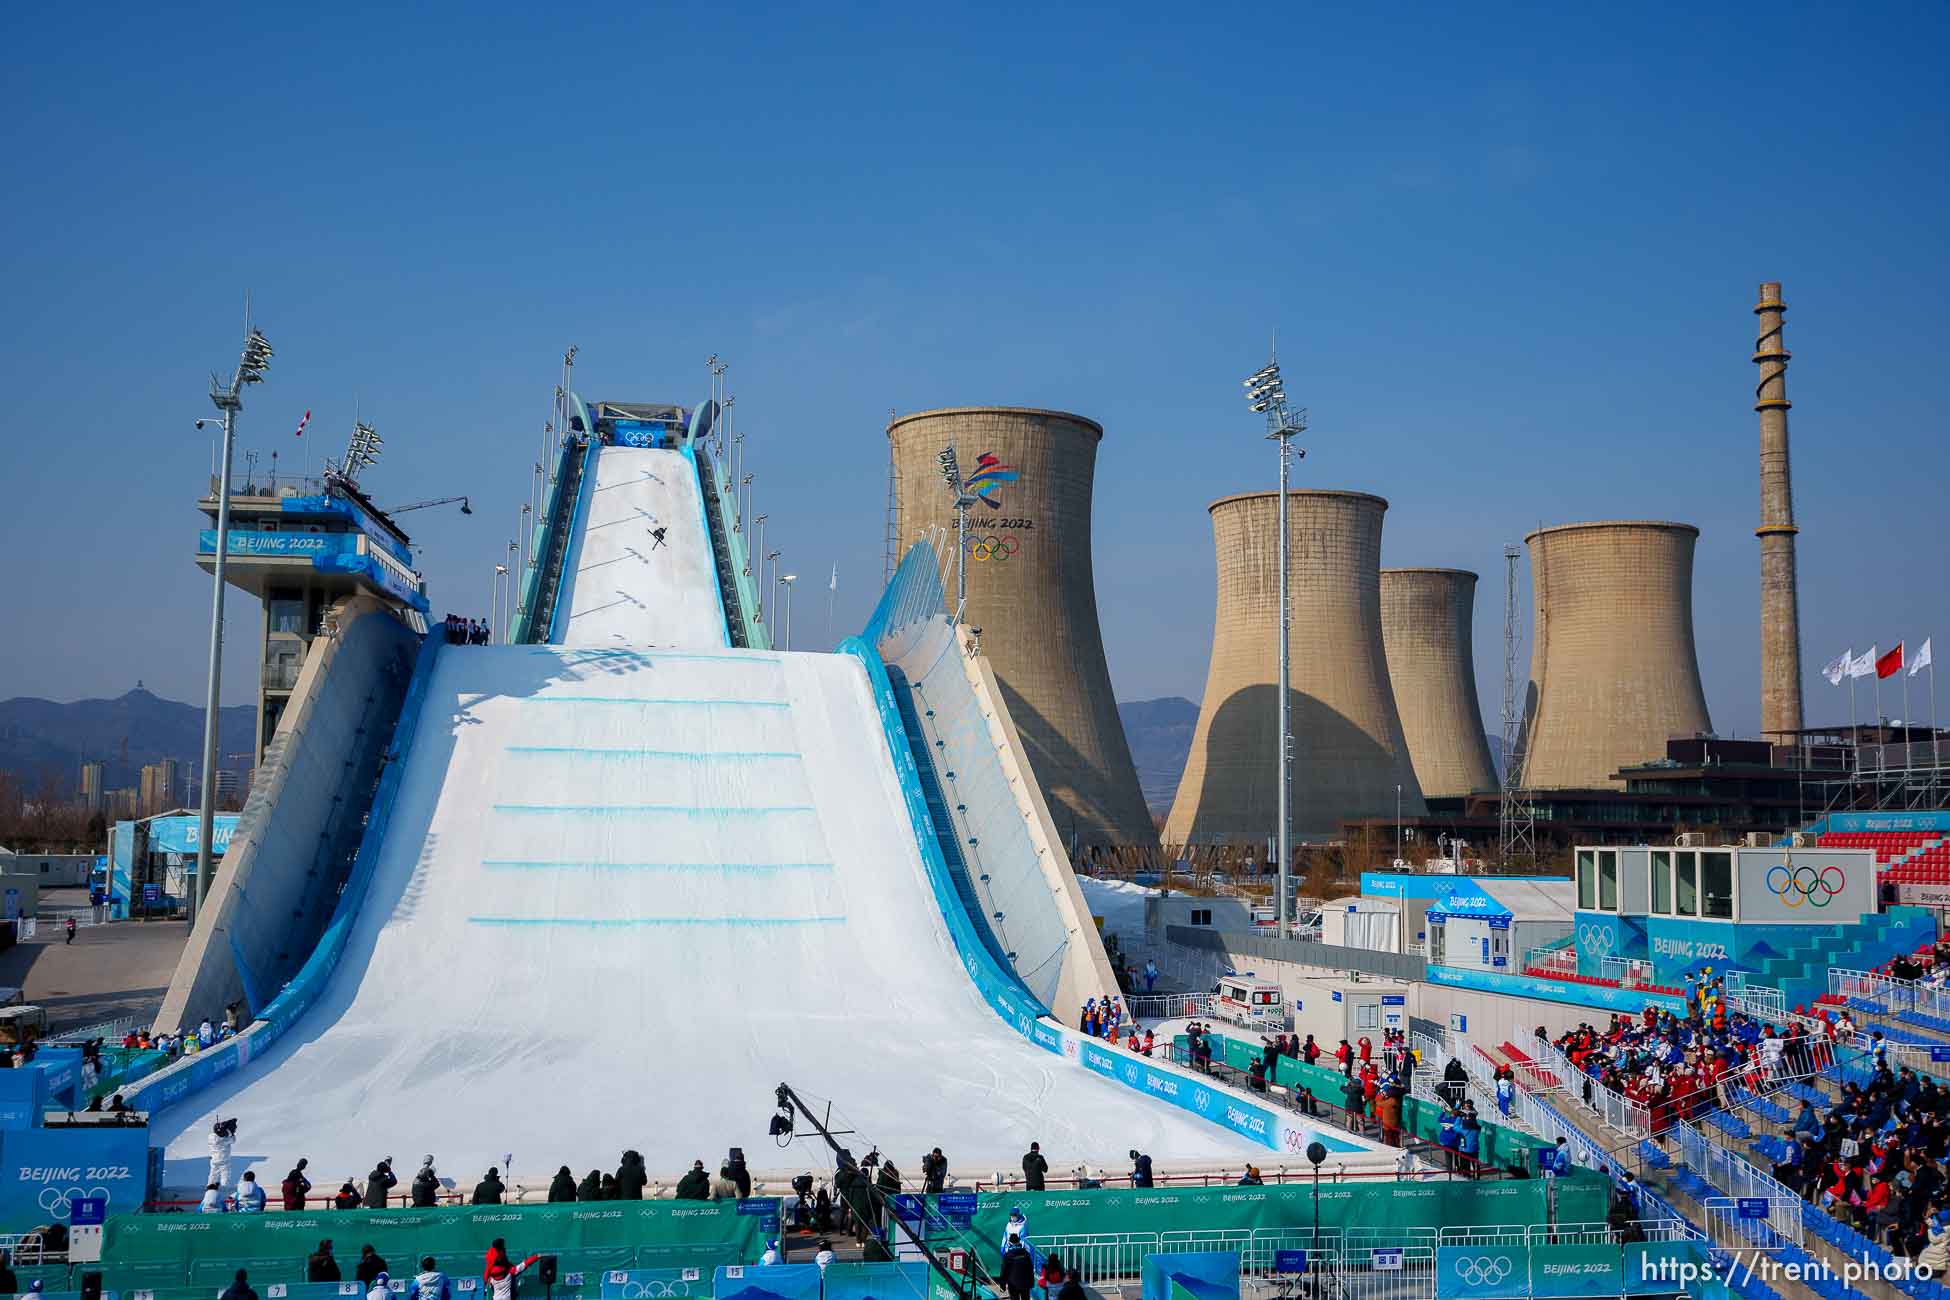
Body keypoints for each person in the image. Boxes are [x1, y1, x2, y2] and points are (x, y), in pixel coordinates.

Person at [1001, 1234, 1036, 1300]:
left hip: (1013, 1283)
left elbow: (1004, 1270)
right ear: (1019, 1241)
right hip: (1025, 1283)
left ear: (1009, 1242)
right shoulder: (1026, 1253)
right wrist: (1031, 1282)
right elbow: (1030, 1268)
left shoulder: (1007, 1255)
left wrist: (1002, 1284)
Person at [209, 1117, 238, 1194]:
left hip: (214, 1160)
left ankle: (209, 1189)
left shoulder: (211, 1137)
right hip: (224, 1160)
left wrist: (222, 1126)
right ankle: (224, 1191)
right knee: (225, 1177)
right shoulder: (224, 1140)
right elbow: (233, 1140)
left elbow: (220, 1133)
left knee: (213, 1175)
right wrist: (230, 1133)